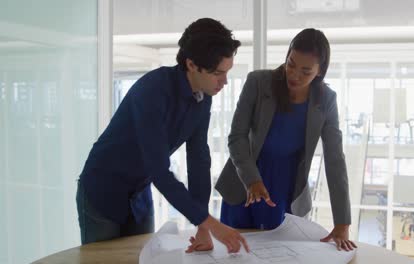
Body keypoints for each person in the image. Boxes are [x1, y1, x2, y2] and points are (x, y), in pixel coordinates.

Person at [76, 18, 249, 254]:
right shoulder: (152, 92)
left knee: (142, 258)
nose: (225, 82)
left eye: (227, 72)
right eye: (217, 73)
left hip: (138, 194)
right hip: (103, 191)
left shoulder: (203, 96)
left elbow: (198, 160)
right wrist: (212, 223)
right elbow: (160, 171)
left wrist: (203, 227)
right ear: (191, 64)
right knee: (105, 260)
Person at [215, 28, 357, 251]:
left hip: (286, 188)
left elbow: (335, 160)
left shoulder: (326, 100)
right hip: (245, 179)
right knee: (235, 253)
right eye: (291, 64)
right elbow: (237, 136)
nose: (294, 75)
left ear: (320, 72)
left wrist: (342, 221)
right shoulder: (258, 82)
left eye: (305, 71)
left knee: (279, 254)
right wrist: (252, 180)